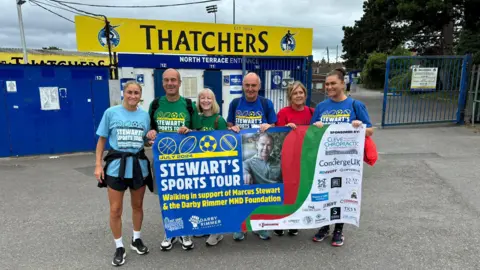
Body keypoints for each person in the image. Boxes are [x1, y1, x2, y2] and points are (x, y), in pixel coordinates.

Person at [310, 68, 374, 247]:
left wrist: (359, 126)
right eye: (327, 84)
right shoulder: (321, 107)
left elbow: (369, 131)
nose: (329, 87)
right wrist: (317, 126)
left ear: (342, 84)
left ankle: (338, 229)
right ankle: (324, 226)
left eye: (333, 83)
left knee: (341, 195)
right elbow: (311, 132)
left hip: (345, 162)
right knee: (324, 194)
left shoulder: (355, 105)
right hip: (325, 161)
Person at [94, 81, 153, 266]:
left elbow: (143, 141)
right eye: (130, 92)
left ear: (140, 95)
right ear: (124, 93)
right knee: (115, 209)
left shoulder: (144, 115)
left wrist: (149, 140)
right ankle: (119, 246)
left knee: (137, 206)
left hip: (138, 166)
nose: (133, 96)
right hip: (115, 167)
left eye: (136, 93)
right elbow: (102, 140)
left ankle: (136, 239)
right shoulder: (111, 113)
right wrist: (98, 165)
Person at [145, 68, 201, 251]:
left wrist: (189, 131)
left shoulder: (188, 105)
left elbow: (198, 134)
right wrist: (150, 135)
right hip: (163, 162)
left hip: (184, 161)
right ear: (162, 83)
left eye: (173, 80)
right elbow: (148, 135)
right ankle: (170, 232)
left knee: (185, 197)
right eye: (167, 80)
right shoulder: (155, 105)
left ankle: (185, 231)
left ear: (179, 83)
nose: (170, 83)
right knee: (167, 199)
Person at [227, 72, 277, 241]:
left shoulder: (266, 103)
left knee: (259, 192)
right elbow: (229, 126)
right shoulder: (235, 103)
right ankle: (240, 226)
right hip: (239, 155)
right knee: (240, 192)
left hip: (260, 153)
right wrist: (232, 128)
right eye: (247, 85)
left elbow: (275, 126)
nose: (250, 89)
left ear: (259, 86)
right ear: (243, 86)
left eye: (253, 85)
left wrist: (269, 125)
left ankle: (260, 226)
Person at [274, 80, 314, 237]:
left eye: (301, 92)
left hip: (305, 159)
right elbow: (276, 136)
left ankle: (295, 222)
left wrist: (318, 125)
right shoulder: (283, 113)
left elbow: (319, 133)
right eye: (295, 93)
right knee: (286, 191)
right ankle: (281, 222)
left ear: (305, 94)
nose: (298, 95)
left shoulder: (312, 112)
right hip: (288, 159)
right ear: (290, 96)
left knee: (300, 190)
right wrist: (285, 129)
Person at [197, 87, 227, 246]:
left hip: (214, 167)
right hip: (199, 166)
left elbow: (225, 145)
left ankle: (217, 232)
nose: (206, 101)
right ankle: (206, 225)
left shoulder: (219, 120)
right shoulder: (196, 119)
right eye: (202, 98)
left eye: (209, 98)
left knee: (216, 199)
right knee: (203, 198)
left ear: (213, 100)